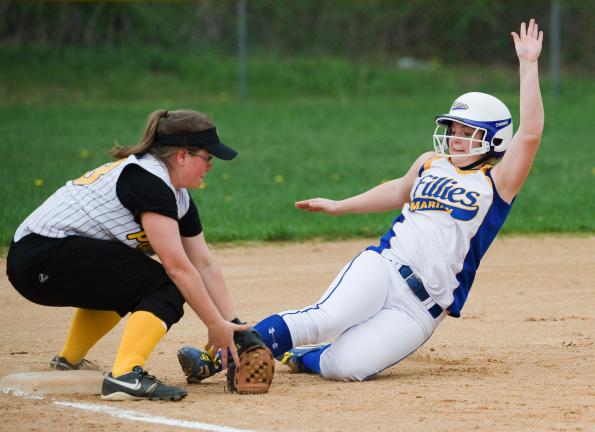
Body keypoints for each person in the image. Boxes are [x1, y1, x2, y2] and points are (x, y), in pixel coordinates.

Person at [177, 19, 544, 384]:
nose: (457, 139)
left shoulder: (498, 182)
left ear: (495, 139)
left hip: (423, 308)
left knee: (345, 367)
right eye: (454, 131)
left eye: (469, 133)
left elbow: (530, 132)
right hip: (385, 268)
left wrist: (528, 64)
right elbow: (399, 189)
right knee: (325, 318)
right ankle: (219, 357)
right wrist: (340, 205)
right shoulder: (430, 162)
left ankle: (301, 357)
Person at [6, 109, 251, 400]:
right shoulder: (147, 181)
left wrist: (233, 325)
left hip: (43, 255)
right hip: (42, 255)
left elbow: (203, 263)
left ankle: (68, 361)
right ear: (182, 156)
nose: (210, 166)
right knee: (165, 285)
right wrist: (213, 324)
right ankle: (125, 375)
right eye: (207, 157)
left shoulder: (176, 195)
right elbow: (179, 268)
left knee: (130, 279)